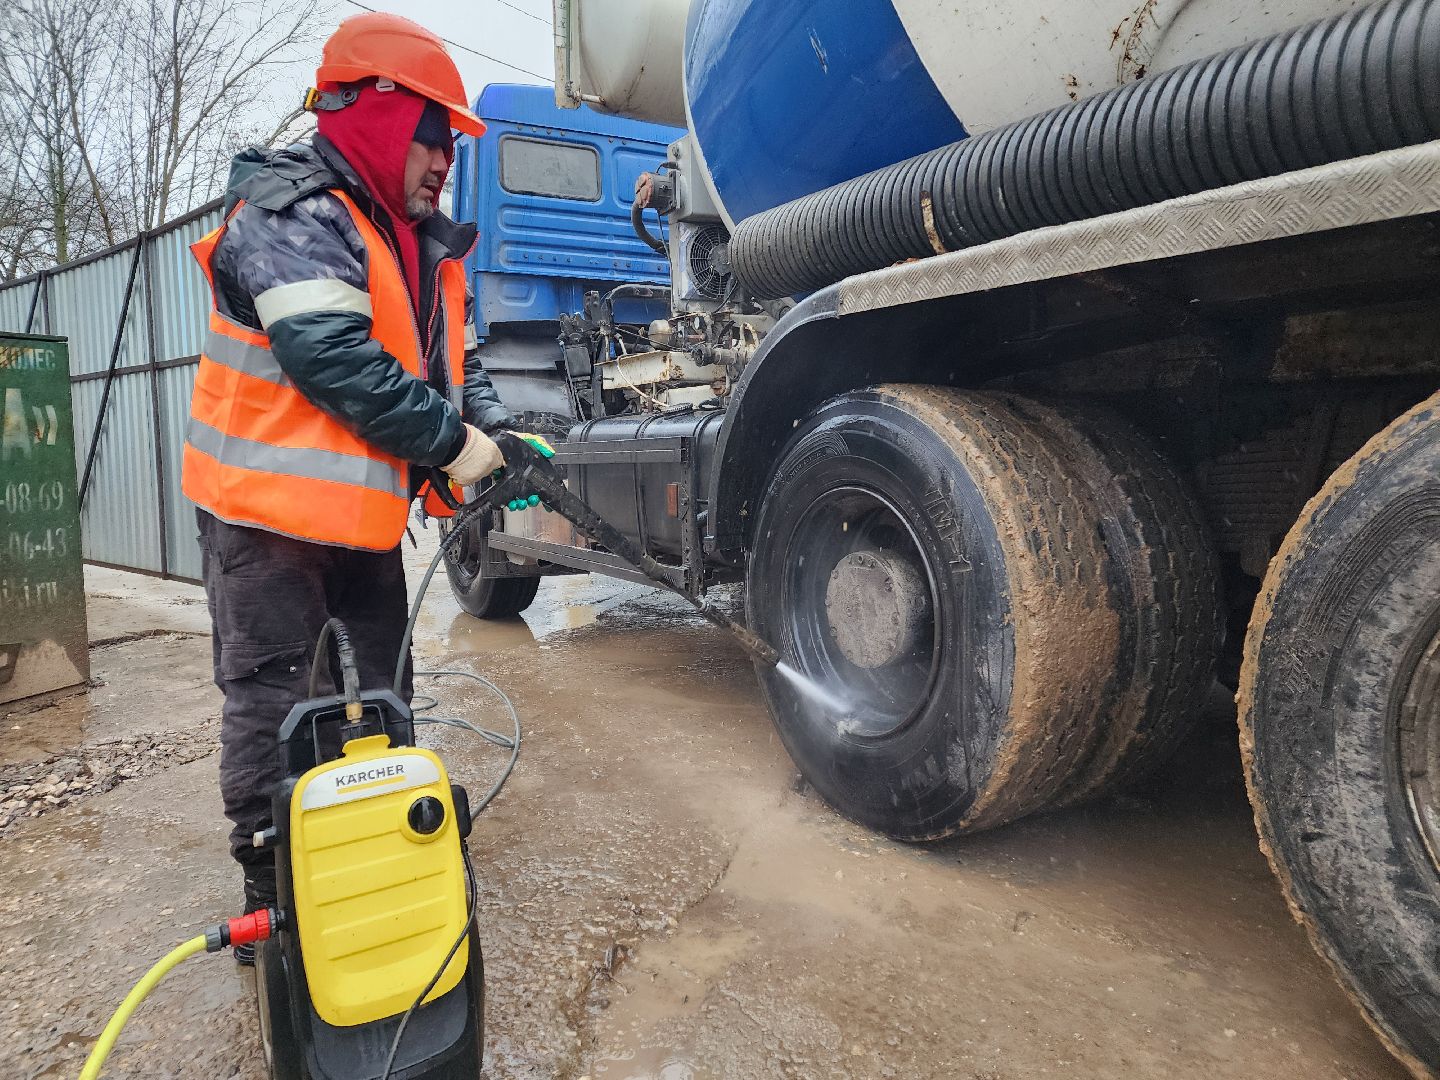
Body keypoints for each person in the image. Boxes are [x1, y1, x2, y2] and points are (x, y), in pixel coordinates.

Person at [181, 12, 525, 962]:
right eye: (435, 134)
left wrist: (490, 430)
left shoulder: (408, 238)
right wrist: (453, 445)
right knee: (272, 699)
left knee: (379, 694)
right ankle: (273, 896)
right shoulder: (296, 211)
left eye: (453, 141)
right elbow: (332, 357)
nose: (446, 158)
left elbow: (444, 365)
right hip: (264, 520)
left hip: (360, 525)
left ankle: (374, 850)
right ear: (380, 114)